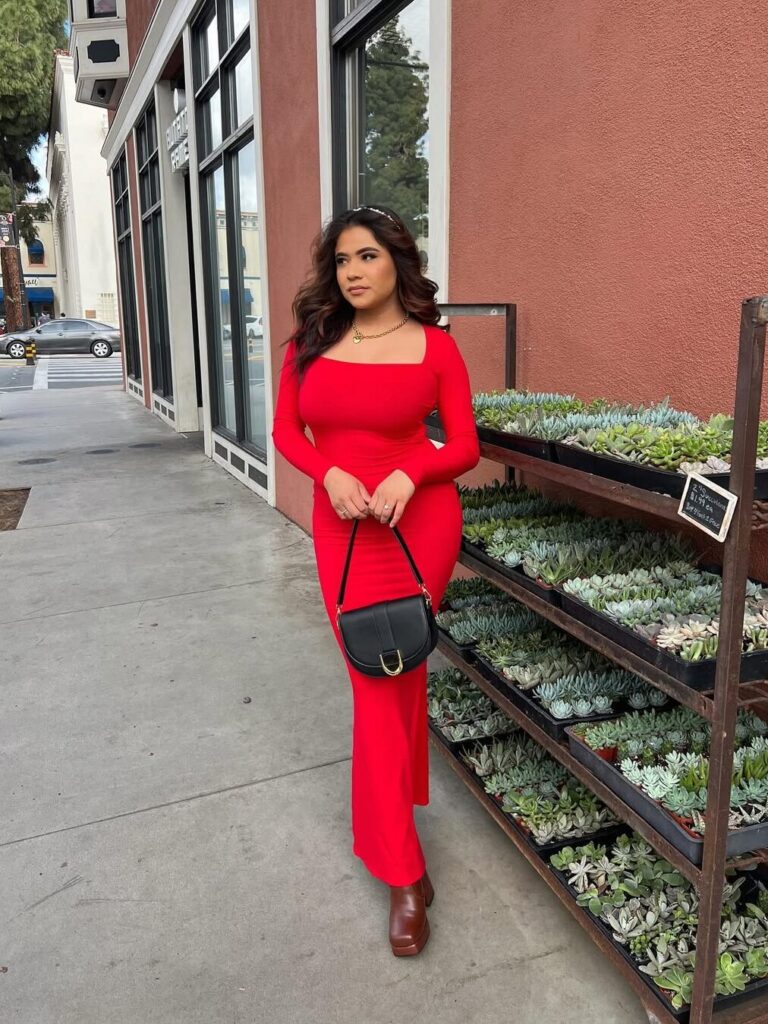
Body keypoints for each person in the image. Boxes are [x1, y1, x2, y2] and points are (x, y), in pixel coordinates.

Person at [272, 206, 479, 956]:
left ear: (398, 261)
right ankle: (402, 860)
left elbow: (463, 447)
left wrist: (412, 469)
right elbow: (285, 432)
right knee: (379, 684)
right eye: (341, 260)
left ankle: (401, 866)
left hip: (419, 528)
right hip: (344, 532)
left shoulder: (435, 347)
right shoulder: (311, 343)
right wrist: (328, 473)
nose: (352, 272)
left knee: (396, 678)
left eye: (367, 257)